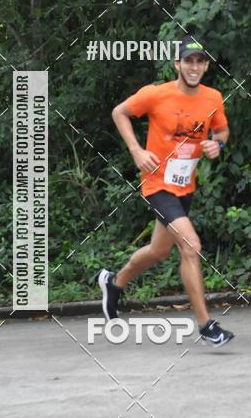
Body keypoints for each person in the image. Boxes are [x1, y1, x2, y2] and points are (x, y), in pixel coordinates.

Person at [97, 38, 235, 348]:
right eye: (189, 61)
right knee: (191, 245)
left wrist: (219, 144)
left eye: (200, 61)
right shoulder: (156, 94)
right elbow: (119, 113)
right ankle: (205, 325)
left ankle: (113, 283)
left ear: (206, 66)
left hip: (185, 186)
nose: (195, 67)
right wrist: (136, 151)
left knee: (158, 251)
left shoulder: (213, 97)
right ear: (177, 64)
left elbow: (222, 130)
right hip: (157, 184)